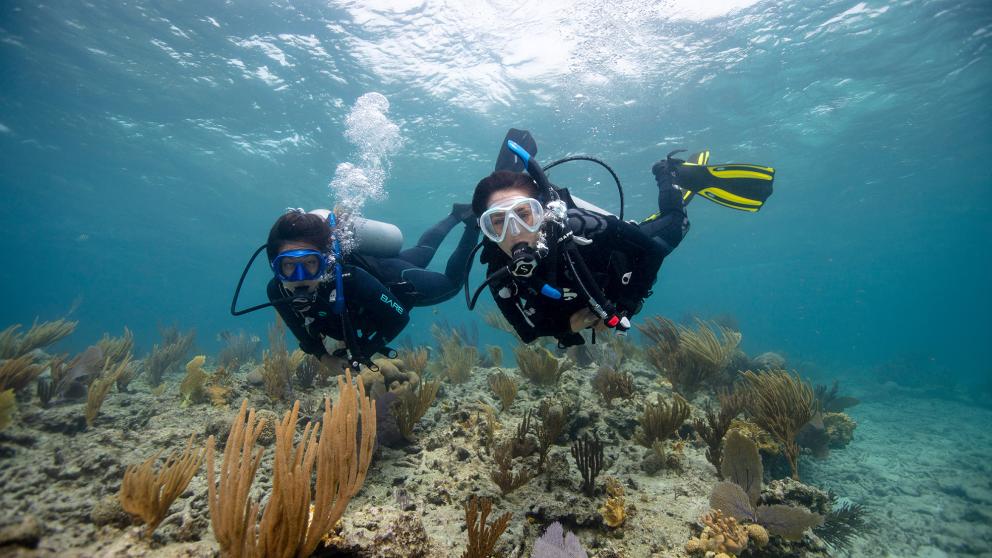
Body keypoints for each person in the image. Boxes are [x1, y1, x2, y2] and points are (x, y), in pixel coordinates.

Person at [469, 129, 774, 347]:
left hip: (622, 256)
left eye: (525, 214)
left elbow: (651, 252)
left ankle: (670, 173)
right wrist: (566, 328)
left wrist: (627, 306)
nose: (515, 233)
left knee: (677, 224)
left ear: (544, 212)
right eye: (497, 223)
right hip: (594, 288)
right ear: (488, 233)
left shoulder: (583, 228)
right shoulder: (498, 272)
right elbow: (527, 332)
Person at [260, 205, 478, 379]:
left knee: (451, 284)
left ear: (326, 261)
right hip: (379, 265)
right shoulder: (277, 290)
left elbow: (400, 317)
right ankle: (457, 213)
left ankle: (472, 223)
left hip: (395, 281)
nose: (301, 277)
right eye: (288, 265)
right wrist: (325, 358)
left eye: (310, 263)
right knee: (421, 253)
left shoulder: (350, 279)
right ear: (274, 266)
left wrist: (364, 351)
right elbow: (301, 333)